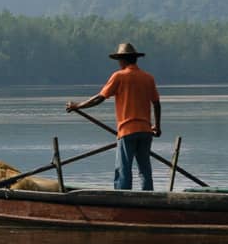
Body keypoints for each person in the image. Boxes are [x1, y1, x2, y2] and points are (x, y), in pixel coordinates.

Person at [65, 43, 161, 190]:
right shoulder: (148, 78)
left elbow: (100, 98)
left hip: (127, 131)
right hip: (145, 131)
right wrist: (157, 126)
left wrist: (78, 106)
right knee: (145, 169)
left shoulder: (119, 76)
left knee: (123, 169)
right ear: (134, 59)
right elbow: (156, 103)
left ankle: (122, 198)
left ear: (122, 60)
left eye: (119, 60)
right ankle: (149, 198)